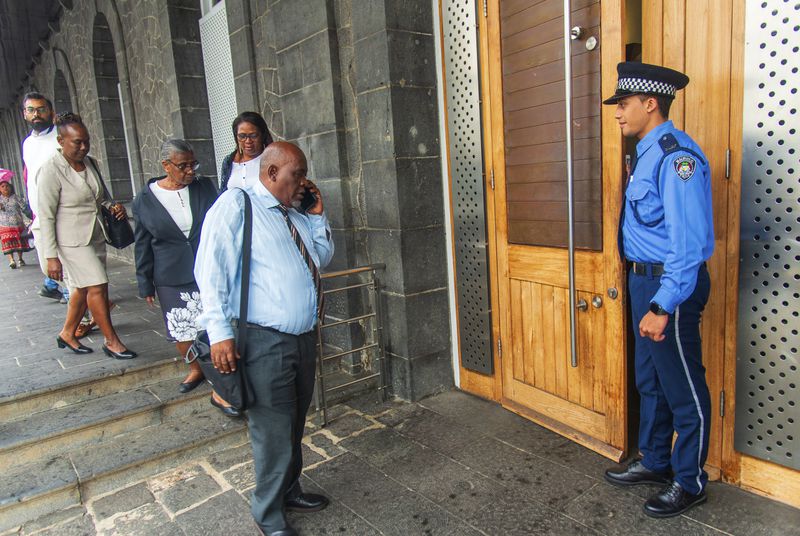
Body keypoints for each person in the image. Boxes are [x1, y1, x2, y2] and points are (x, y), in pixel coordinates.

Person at [195, 142, 333, 536]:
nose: (304, 183)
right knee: (272, 431)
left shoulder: (294, 213)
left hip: (303, 339)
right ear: (272, 173)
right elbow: (211, 269)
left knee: (293, 424)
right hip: (263, 341)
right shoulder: (237, 205)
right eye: (297, 175)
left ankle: (290, 490)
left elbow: (320, 259)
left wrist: (318, 217)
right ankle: (268, 513)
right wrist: (219, 332)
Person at [602, 62, 714, 518]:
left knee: (683, 386)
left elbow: (688, 245)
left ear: (650, 103)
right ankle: (655, 461)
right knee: (650, 379)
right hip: (644, 278)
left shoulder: (676, 156)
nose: (618, 114)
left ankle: (689, 480)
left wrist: (664, 303)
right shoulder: (647, 152)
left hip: (672, 283)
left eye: (624, 104)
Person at [133, 139, 237, 414]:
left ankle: (220, 377)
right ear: (166, 165)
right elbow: (142, 243)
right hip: (170, 272)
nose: (191, 170)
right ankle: (195, 368)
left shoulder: (204, 187)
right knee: (182, 327)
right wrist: (144, 282)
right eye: (183, 166)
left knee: (217, 323)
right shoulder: (145, 199)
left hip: (209, 266)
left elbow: (221, 222)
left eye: (193, 164)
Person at [36, 112, 137, 360]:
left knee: (81, 290)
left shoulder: (90, 163)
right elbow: (46, 215)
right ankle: (111, 341)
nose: (83, 147)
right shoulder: (50, 170)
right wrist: (51, 257)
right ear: (61, 140)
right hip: (70, 241)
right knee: (98, 286)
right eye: (77, 142)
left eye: (86, 141)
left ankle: (67, 333)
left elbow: (100, 196)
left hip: (95, 235)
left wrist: (113, 205)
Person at [20, 92, 68, 302]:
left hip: (64, 212)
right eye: (31, 110)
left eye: (41, 109)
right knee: (48, 266)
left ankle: (81, 314)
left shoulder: (62, 136)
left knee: (69, 267)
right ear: (24, 114)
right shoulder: (27, 144)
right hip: (40, 216)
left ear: (51, 112)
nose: (36, 114)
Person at [218, 111, 273, 192]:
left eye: (253, 135)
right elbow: (223, 193)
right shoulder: (229, 161)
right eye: (242, 136)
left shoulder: (273, 159)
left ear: (262, 134)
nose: (248, 141)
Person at [0, 170, 32, 269]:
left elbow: (24, 208)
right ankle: (11, 260)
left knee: (19, 243)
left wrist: (31, 217)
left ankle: (20, 259)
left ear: (10, 187)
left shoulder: (16, 197)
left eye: (7, 186)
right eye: (2, 186)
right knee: (7, 242)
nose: (5, 188)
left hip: (18, 224)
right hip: (4, 225)